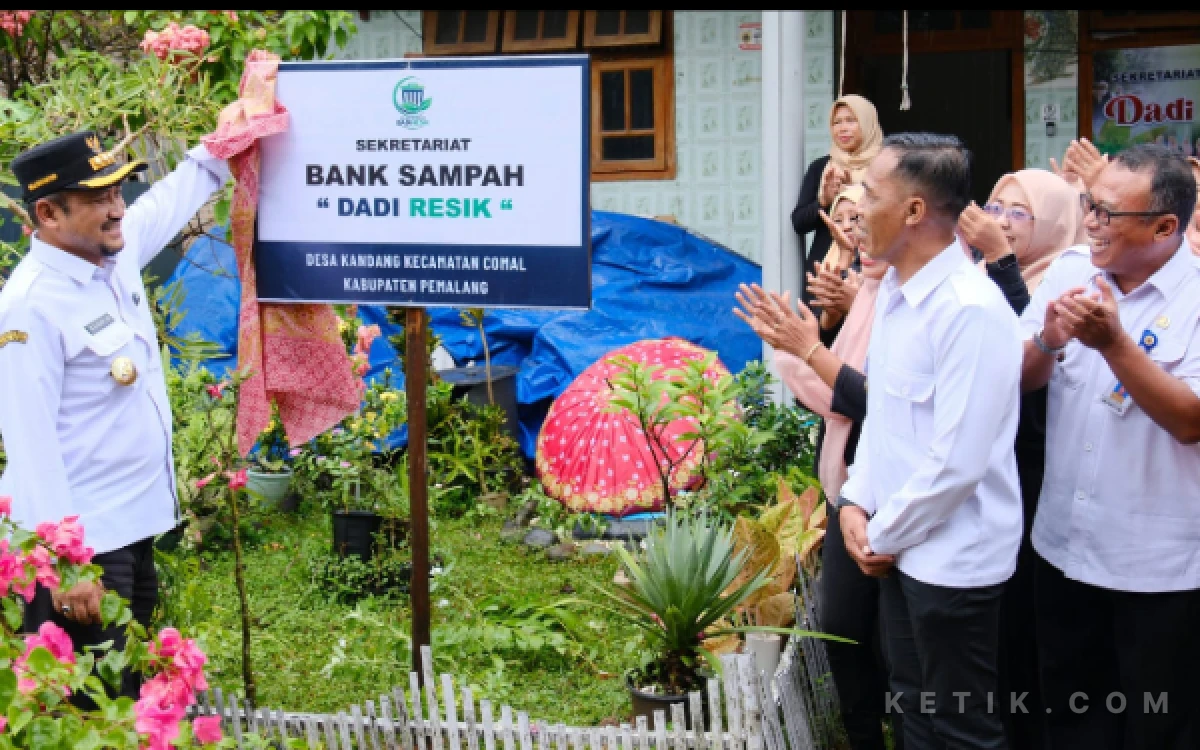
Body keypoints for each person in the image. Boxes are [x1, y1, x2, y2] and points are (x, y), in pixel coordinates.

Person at [0, 129, 230, 705]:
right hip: (85, 551)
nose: (117, 208)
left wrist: (233, 131)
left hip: (133, 532)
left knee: (131, 699)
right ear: (48, 213)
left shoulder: (112, 256)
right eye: (98, 198)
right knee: (91, 712)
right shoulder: (31, 303)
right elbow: (29, 447)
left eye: (118, 191)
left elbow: (177, 193)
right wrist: (67, 566)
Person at [837, 133, 1024, 749]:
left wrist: (879, 534)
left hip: (951, 561)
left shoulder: (969, 310)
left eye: (869, 193)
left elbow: (958, 465)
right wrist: (856, 503)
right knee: (912, 711)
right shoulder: (894, 293)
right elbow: (886, 421)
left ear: (914, 211)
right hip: (897, 546)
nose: (855, 207)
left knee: (962, 727)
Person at [1019, 143, 1200, 750]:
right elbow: (1020, 379)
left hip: (1159, 570)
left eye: (1107, 213)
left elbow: (1191, 421)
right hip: (1063, 550)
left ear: (1165, 226)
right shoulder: (1071, 272)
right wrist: (1046, 338)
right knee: (1072, 723)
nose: (1091, 223)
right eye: (1089, 206)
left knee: (1158, 730)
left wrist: (1114, 343)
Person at [735, 188, 898, 750]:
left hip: (897, 499)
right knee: (844, 629)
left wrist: (806, 351)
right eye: (853, 223)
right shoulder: (870, 295)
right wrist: (808, 340)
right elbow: (831, 396)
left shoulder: (914, 302)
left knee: (892, 645)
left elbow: (872, 402)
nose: (858, 236)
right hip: (847, 489)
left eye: (869, 221)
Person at [958, 168, 1087, 750]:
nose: (1001, 219)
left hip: (1037, 477)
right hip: (986, 477)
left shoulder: (1070, 284)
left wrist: (1005, 262)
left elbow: (1030, 381)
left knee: (1034, 630)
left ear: (1057, 223)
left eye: (1019, 212)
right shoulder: (974, 278)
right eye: (996, 205)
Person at [791, 95, 883, 310]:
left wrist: (859, 195)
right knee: (823, 332)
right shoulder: (822, 168)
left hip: (871, 265)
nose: (842, 128)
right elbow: (799, 222)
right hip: (827, 268)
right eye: (836, 122)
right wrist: (824, 201)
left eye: (851, 120)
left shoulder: (885, 166)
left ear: (868, 122)